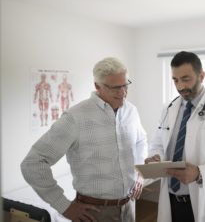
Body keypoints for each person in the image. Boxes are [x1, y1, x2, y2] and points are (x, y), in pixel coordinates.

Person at [21, 57, 148, 222]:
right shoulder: (75, 118)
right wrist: (64, 206)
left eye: (125, 85)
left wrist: (140, 173)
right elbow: (32, 163)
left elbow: (140, 141)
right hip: (94, 212)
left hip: (129, 206)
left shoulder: (131, 111)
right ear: (97, 86)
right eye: (115, 88)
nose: (123, 92)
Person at [145, 51, 205, 222]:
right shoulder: (169, 108)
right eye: (175, 80)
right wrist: (156, 158)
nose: (180, 86)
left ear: (202, 75)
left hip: (204, 201)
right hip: (171, 200)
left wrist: (200, 173)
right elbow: (158, 143)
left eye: (186, 79)